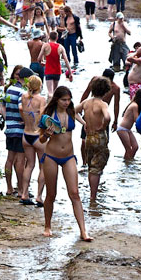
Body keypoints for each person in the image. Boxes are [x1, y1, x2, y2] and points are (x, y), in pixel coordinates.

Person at [38, 86, 92, 241]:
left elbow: (80, 115)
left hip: (68, 156)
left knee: (74, 193)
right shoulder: (48, 115)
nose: (67, 102)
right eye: (63, 100)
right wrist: (46, 135)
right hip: (51, 156)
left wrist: (85, 124)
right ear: (56, 99)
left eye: (69, 99)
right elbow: (41, 139)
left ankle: (83, 231)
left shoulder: (71, 111)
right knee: (51, 194)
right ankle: (47, 225)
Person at [75, 77, 111, 201]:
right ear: (105, 91)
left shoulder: (86, 102)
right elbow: (107, 117)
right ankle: (93, 196)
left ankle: (91, 193)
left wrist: (84, 122)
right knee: (97, 167)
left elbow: (73, 111)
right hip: (99, 136)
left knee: (91, 166)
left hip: (89, 136)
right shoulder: (102, 104)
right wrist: (103, 126)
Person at [19, 75, 47, 206]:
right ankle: (39, 196)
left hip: (26, 134)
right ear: (39, 86)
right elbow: (42, 116)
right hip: (37, 136)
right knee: (43, 166)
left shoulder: (24, 97)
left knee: (29, 165)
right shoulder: (41, 99)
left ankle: (24, 193)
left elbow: (21, 109)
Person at [0, 66, 28, 196]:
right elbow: (21, 108)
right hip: (19, 129)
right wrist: (26, 121)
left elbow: (3, 105)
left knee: (10, 159)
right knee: (20, 160)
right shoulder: (22, 92)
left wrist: (7, 118)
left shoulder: (10, 88)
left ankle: (9, 187)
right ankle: (22, 189)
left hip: (10, 127)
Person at [117, 88, 141, 160]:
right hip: (122, 129)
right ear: (140, 98)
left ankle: (129, 163)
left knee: (135, 147)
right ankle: (127, 163)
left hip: (127, 129)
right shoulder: (134, 106)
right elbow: (137, 120)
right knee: (128, 149)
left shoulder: (135, 104)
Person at [39, 30, 72, 97]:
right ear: (57, 38)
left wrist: (42, 63)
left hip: (48, 71)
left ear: (49, 37)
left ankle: (49, 105)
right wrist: (70, 73)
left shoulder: (45, 45)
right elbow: (66, 61)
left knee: (50, 92)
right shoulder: (61, 47)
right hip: (57, 71)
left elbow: (39, 58)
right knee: (54, 92)